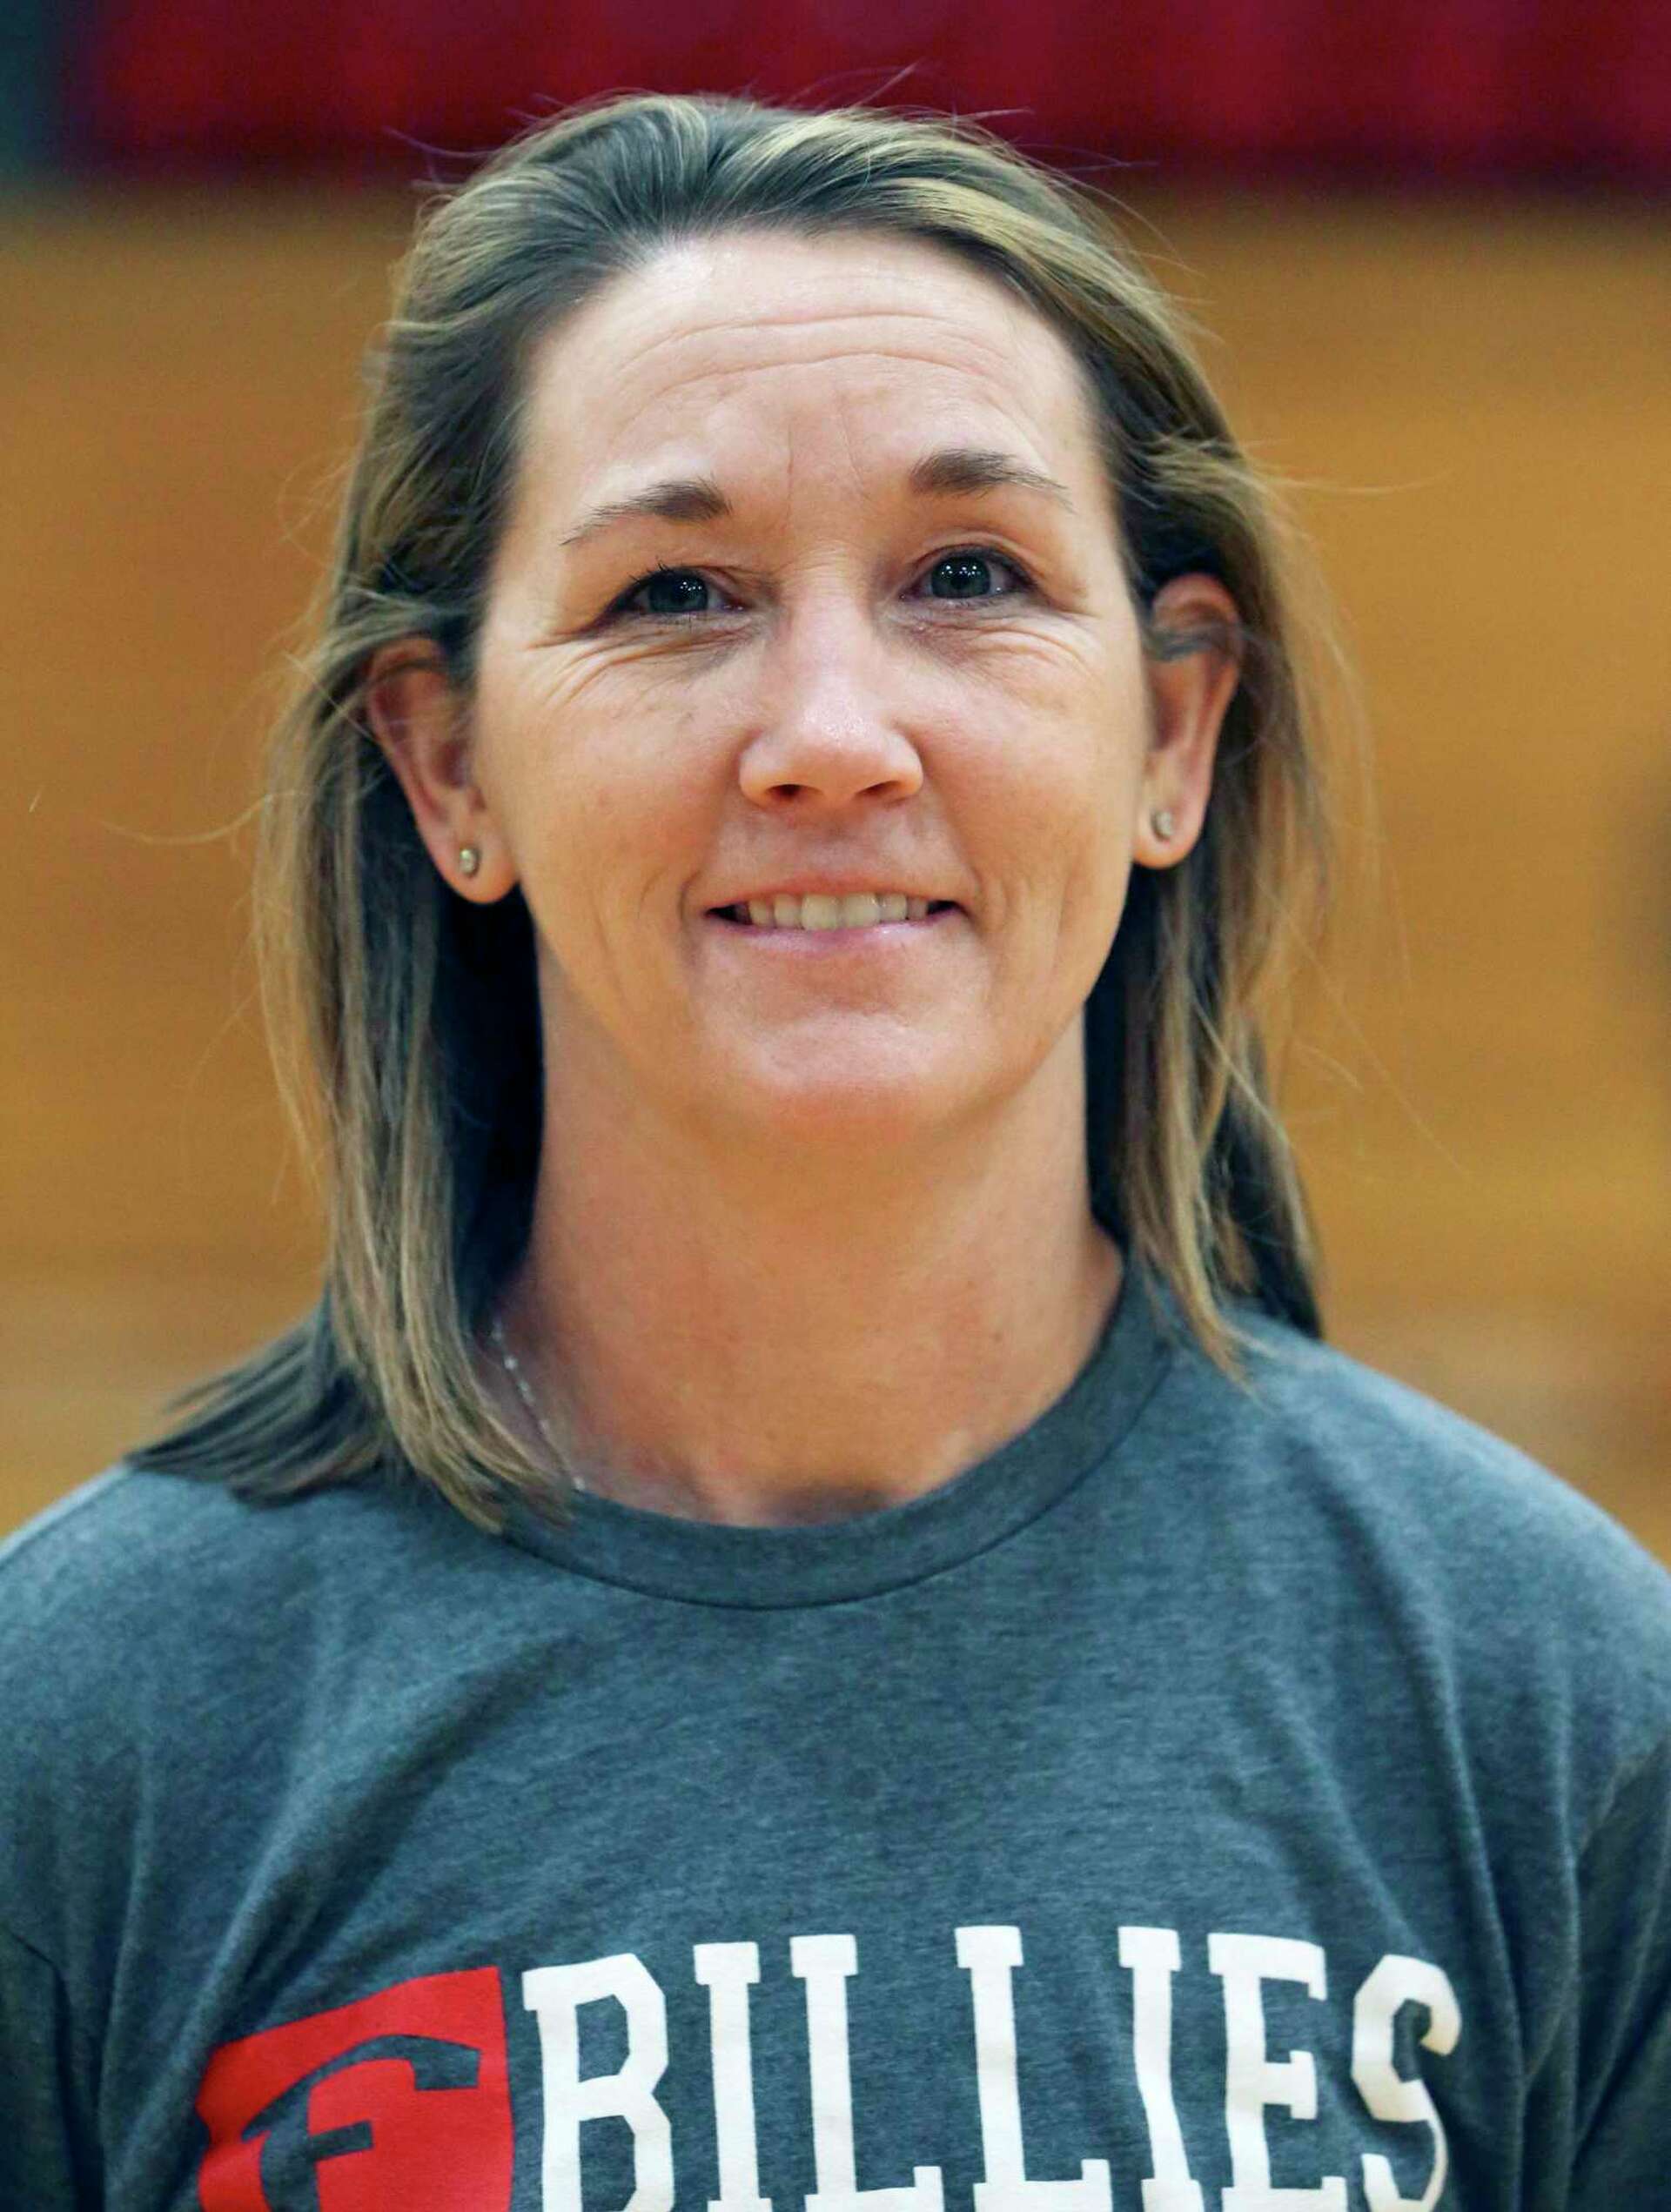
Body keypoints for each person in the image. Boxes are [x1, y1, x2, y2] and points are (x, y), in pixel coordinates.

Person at [2, 89, 1666, 2212]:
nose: (829, 737)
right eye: (673, 593)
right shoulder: (89, 1733)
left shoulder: (1548, 1702)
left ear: (1171, 730)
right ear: (448, 764)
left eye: (967, 576)